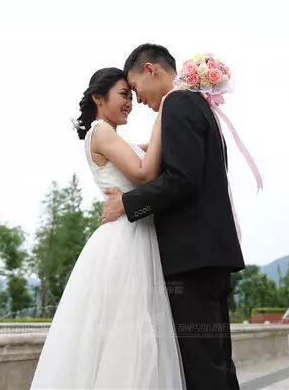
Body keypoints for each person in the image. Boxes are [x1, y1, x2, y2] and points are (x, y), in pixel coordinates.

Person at [30, 67, 186, 389]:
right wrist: (162, 115)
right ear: (98, 98)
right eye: (123, 95)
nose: (130, 102)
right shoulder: (101, 131)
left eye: (131, 95)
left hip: (136, 235)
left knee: (135, 333)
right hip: (125, 241)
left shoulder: (111, 136)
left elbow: (145, 159)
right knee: (128, 334)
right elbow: (143, 173)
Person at [102, 44, 245, 390]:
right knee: (217, 364)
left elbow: (182, 180)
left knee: (202, 370)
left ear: (150, 70)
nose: (138, 99)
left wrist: (128, 204)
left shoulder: (178, 104)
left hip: (191, 261)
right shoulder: (196, 105)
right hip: (210, 256)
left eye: (135, 87)